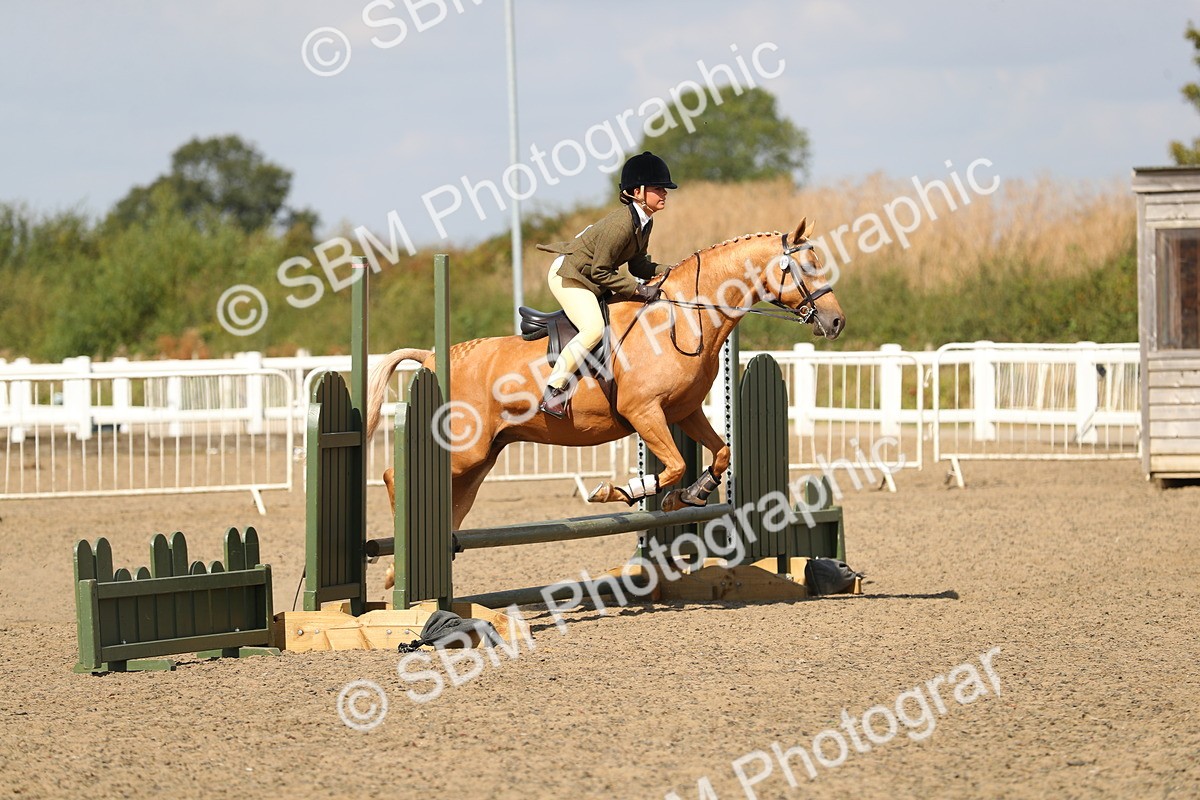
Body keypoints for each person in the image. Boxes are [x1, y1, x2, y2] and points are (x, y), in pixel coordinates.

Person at [535, 151, 678, 418]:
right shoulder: (621, 224)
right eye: (658, 188)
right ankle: (553, 390)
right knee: (593, 329)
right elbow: (601, 270)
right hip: (570, 275)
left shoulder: (644, 222)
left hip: (592, 277)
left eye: (664, 189)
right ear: (638, 192)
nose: (664, 193)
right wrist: (637, 289)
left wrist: (673, 271)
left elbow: (638, 266)